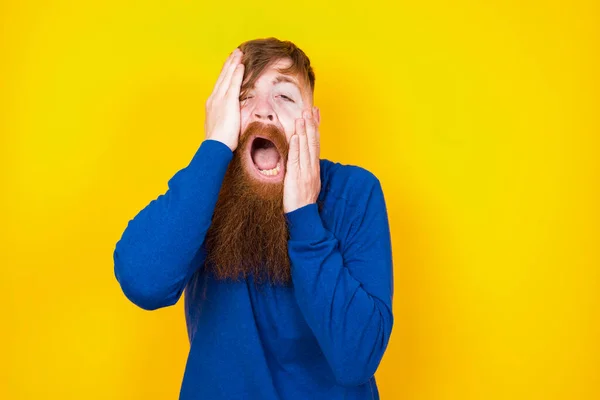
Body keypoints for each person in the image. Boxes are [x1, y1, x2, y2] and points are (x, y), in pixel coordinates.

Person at [113, 37, 394, 400]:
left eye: (286, 96)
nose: (263, 111)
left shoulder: (355, 193)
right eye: (244, 97)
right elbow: (143, 282)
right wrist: (213, 148)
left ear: (312, 120)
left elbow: (356, 359)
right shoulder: (207, 189)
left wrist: (305, 215)